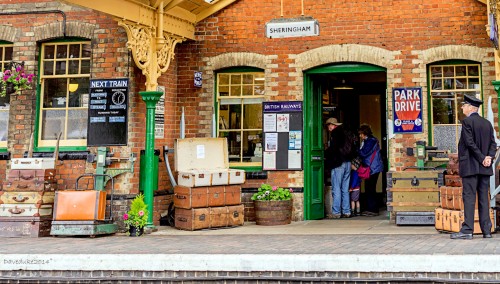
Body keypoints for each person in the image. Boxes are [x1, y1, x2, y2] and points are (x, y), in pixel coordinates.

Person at [450, 95, 497, 240]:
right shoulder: (487, 123)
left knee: (469, 198)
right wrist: (488, 157)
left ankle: (467, 230)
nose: (462, 107)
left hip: (470, 167)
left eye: (464, 105)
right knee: (484, 198)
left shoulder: (467, 122)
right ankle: (486, 231)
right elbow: (493, 144)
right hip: (484, 168)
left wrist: (483, 158)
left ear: (471, 107)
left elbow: (469, 143)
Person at [325, 118, 356, 219]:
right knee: (345, 189)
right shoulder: (347, 132)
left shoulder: (335, 133)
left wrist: (326, 152)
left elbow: (334, 149)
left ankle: (336, 212)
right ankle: (347, 211)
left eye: (329, 125)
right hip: (347, 163)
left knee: (336, 188)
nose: (328, 127)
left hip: (338, 163)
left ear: (333, 125)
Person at [357, 124, 384, 217]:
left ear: (365, 133)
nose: (360, 136)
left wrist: (356, 150)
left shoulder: (370, 141)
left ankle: (373, 209)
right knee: (370, 188)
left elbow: (364, 153)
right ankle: (371, 208)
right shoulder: (370, 140)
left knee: (370, 188)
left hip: (373, 168)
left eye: (361, 134)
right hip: (373, 167)